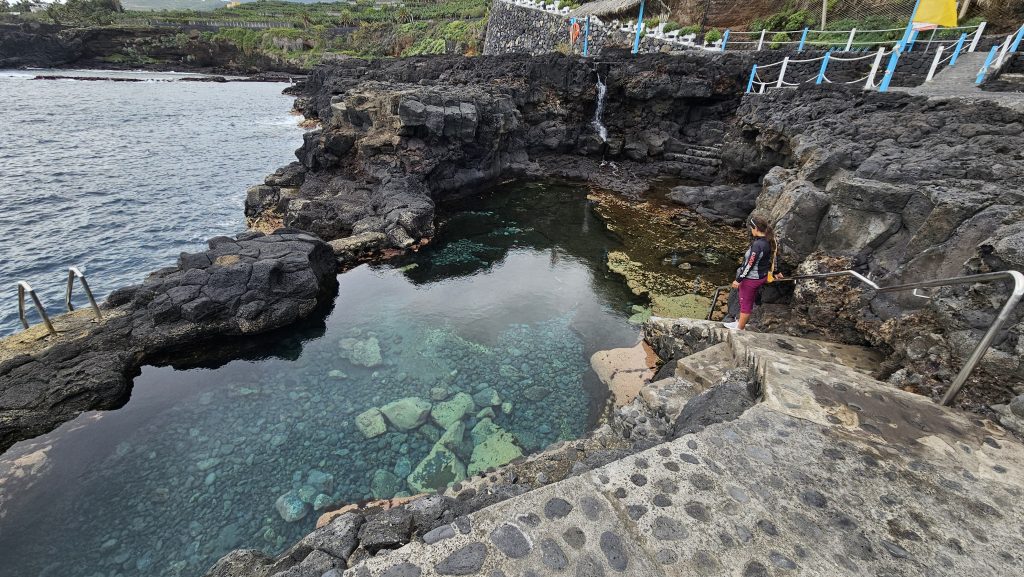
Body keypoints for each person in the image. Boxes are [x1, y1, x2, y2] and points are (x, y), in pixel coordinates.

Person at [723, 215, 781, 331]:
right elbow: (772, 258)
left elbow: (749, 265)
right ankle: (738, 322)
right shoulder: (768, 240)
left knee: (745, 304)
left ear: (755, 228)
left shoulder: (758, 245)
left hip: (751, 279)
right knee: (746, 301)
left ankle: (740, 328)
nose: (751, 230)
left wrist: (738, 280)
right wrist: (776, 272)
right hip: (761, 275)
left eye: (751, 228)